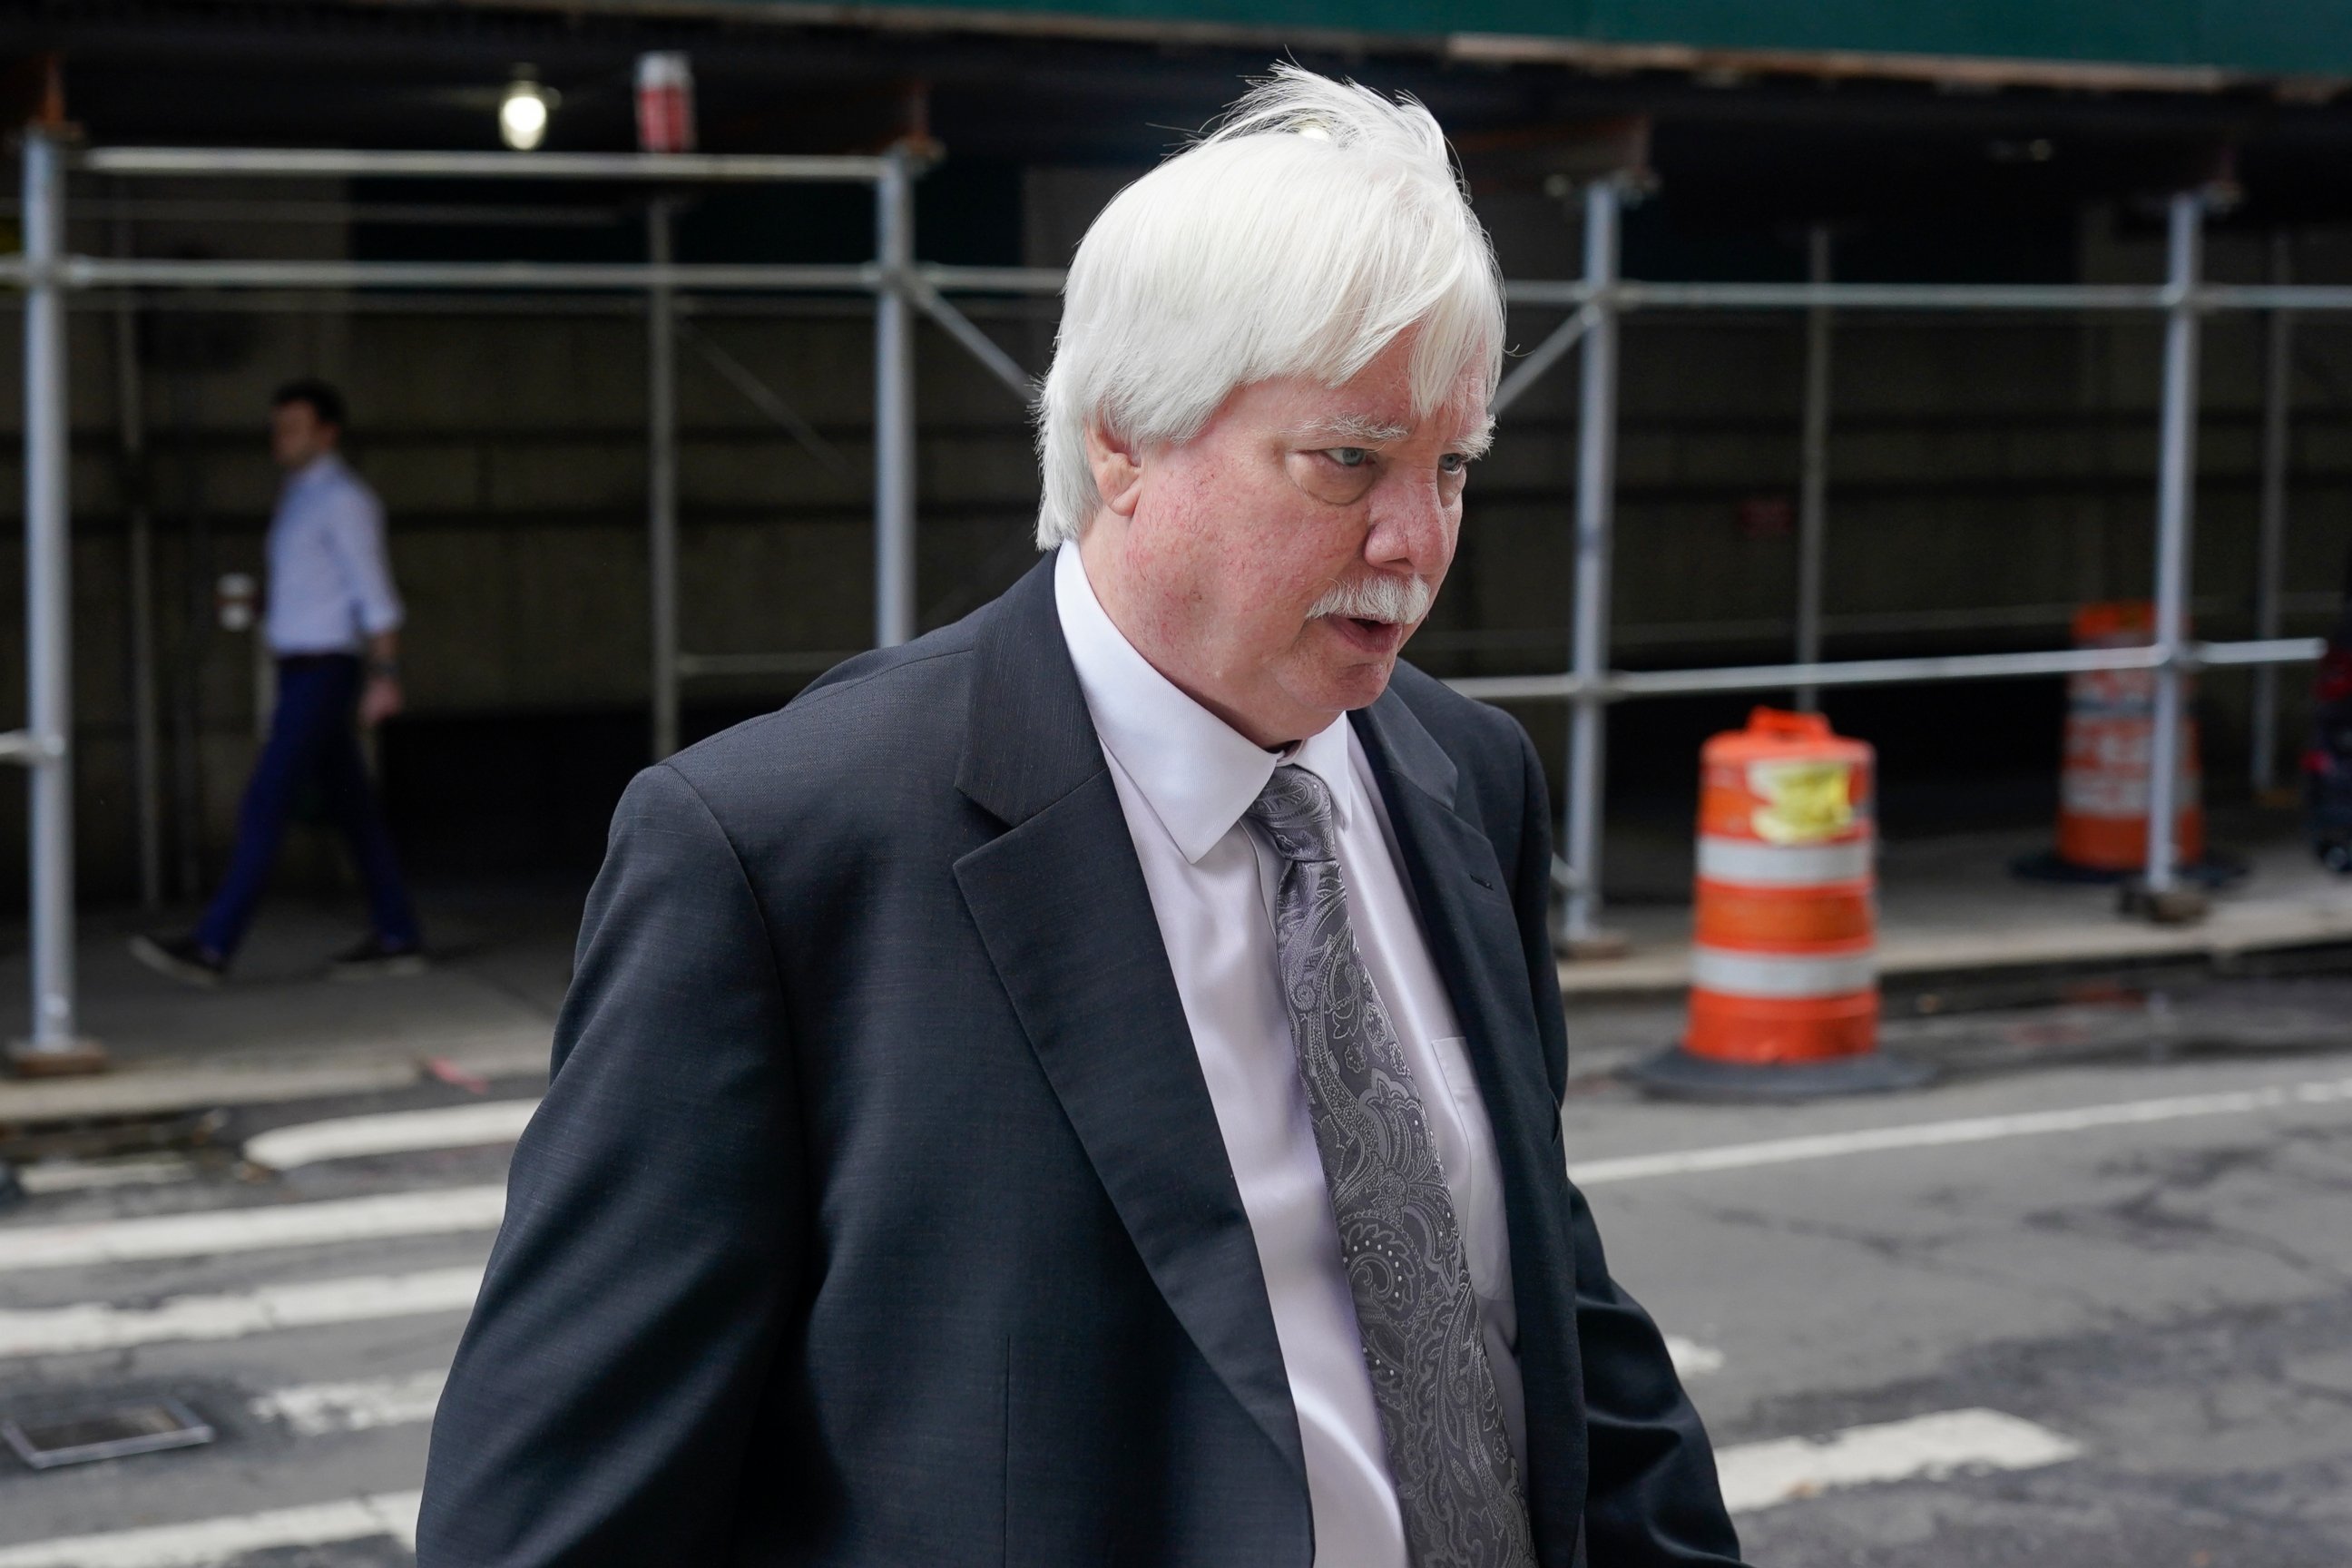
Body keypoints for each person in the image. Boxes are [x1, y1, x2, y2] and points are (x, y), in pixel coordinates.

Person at [418, 69, 1743, 1567]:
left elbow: (1545, 1309)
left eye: (1452, 466)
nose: (1416, 541)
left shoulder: (1466, 779)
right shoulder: (779, 851)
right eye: (1347, 461)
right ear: (1120, 439)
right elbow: (547, 1517)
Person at [131, 380, 425, 985]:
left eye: (292, 427)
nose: (280, 439)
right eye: (277, 427)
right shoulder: (299, 496)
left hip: (324, 671)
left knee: (266, 800)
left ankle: (213, 945)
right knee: (353, 810)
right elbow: (321, 589)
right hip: (299, 666)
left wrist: (385, 673)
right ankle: (399, 933)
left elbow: (376, 597)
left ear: (327, 432)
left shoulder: (344, 500)